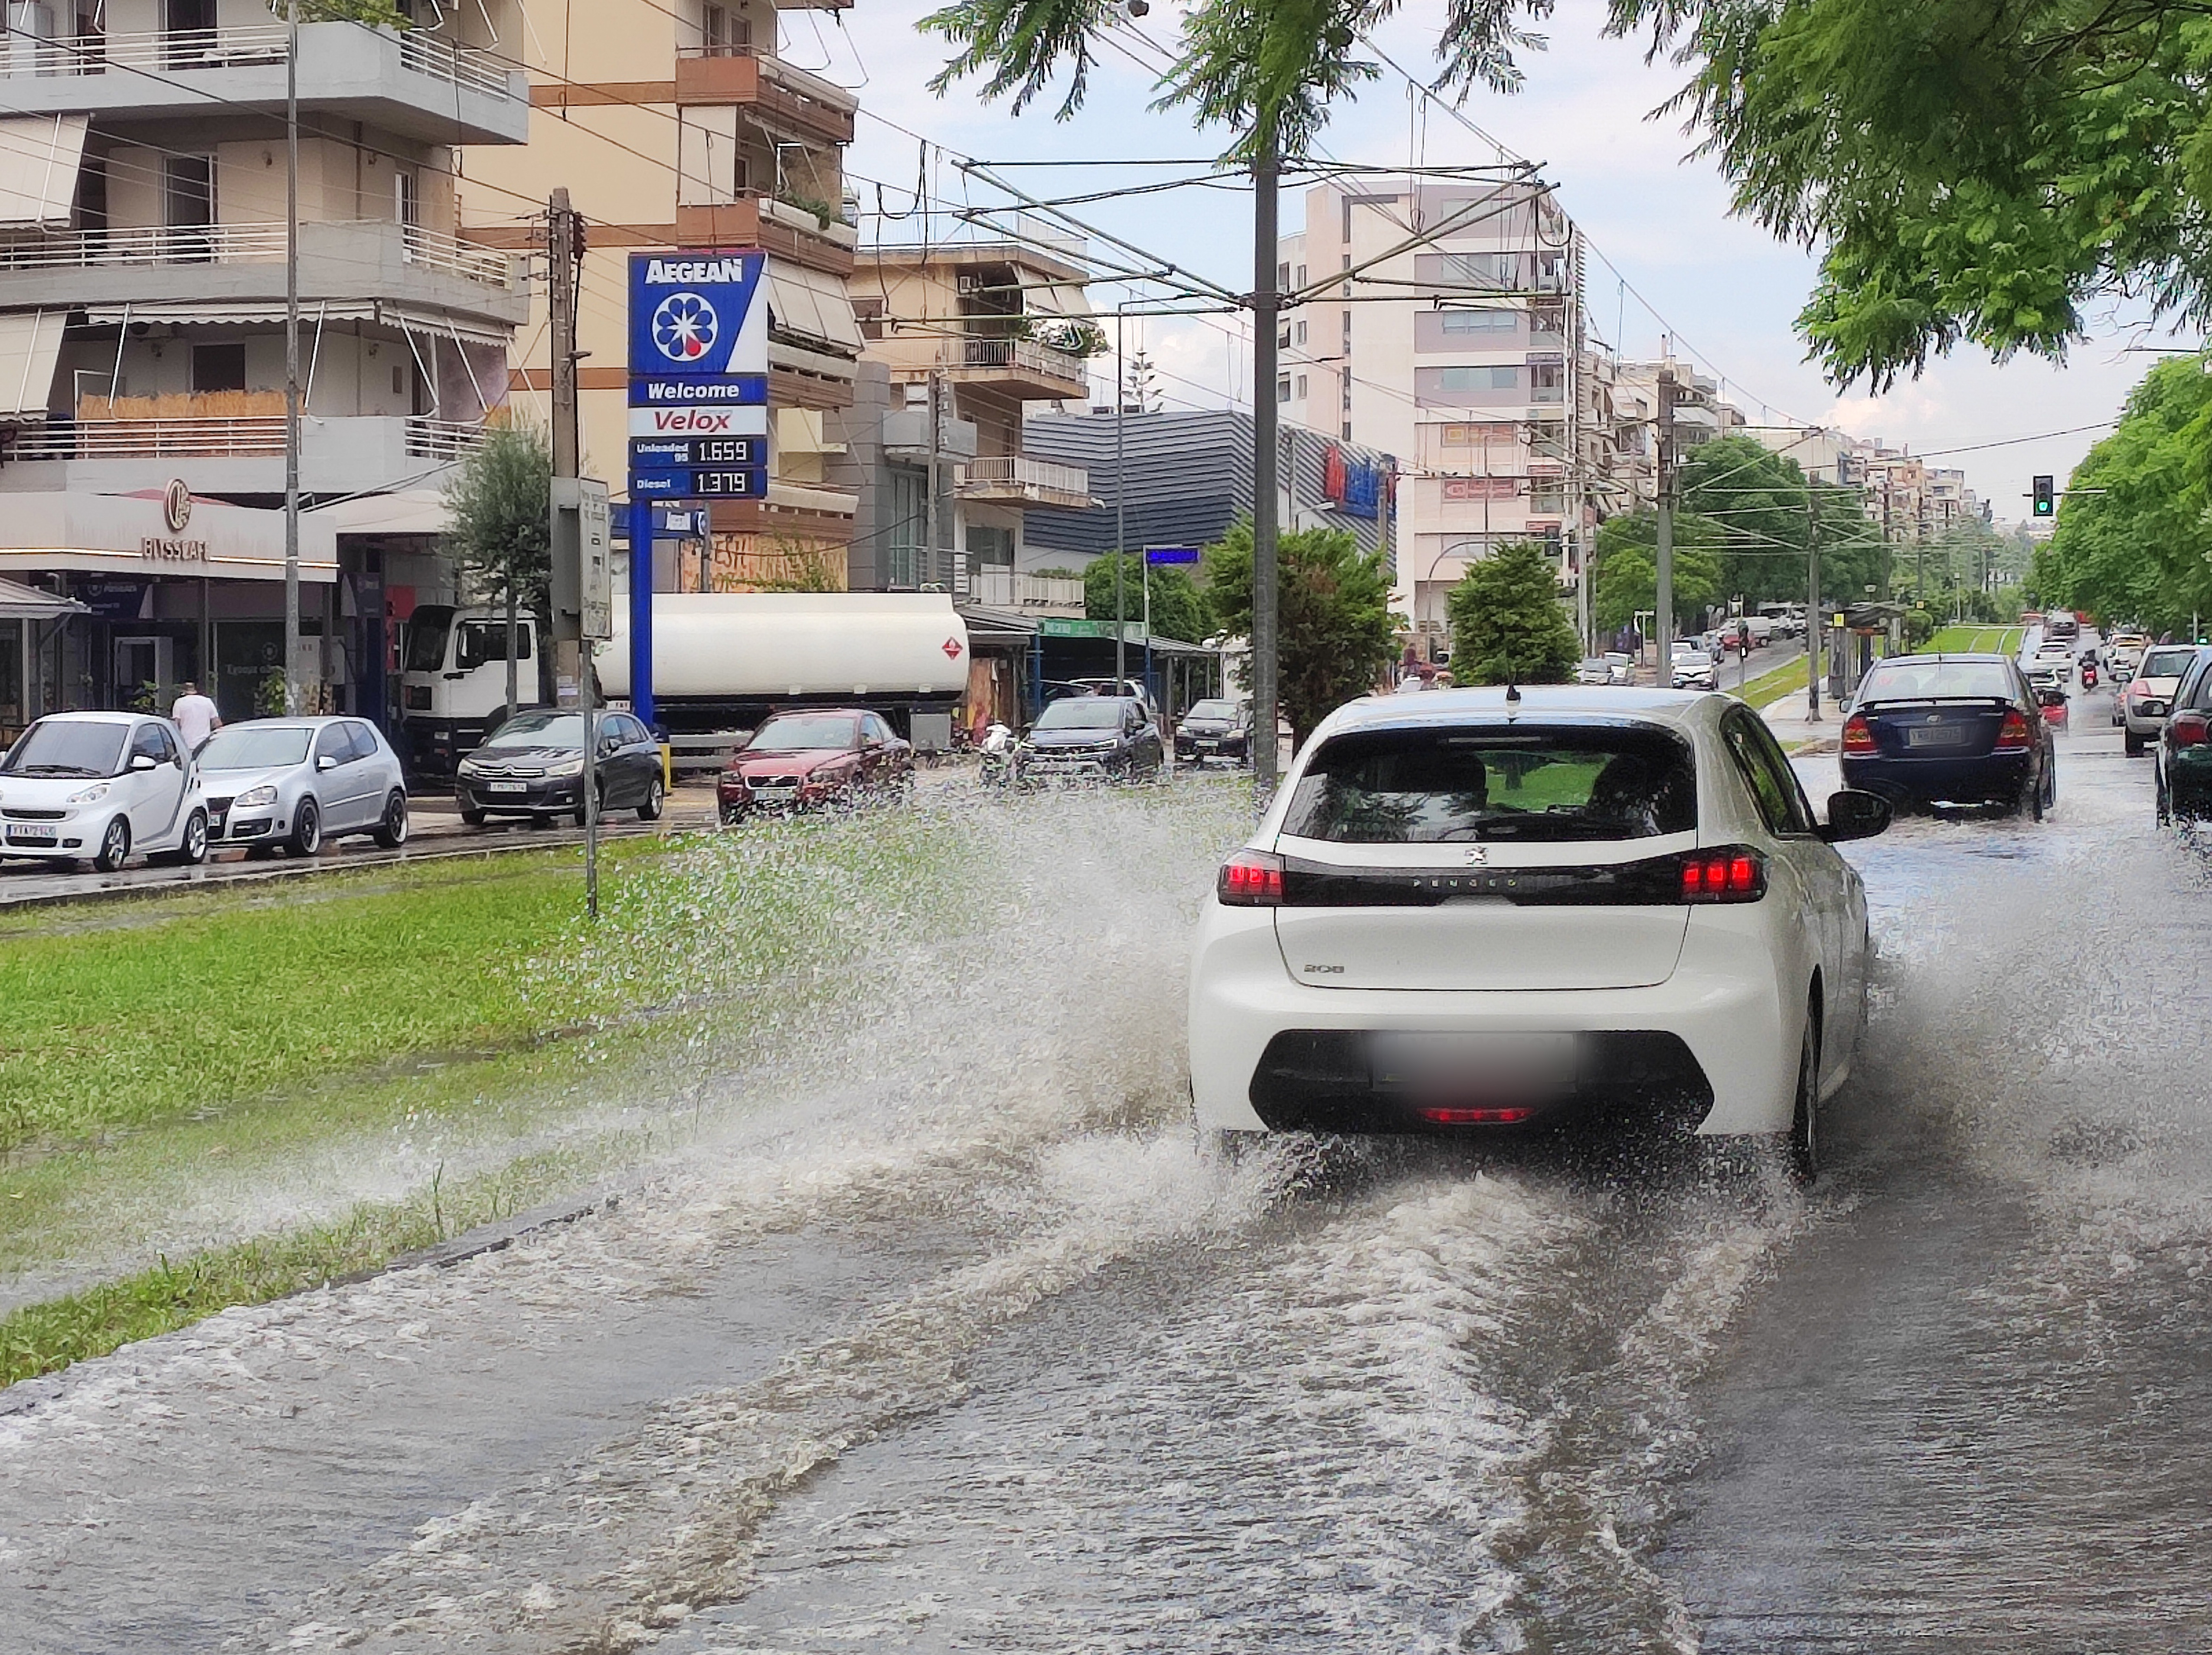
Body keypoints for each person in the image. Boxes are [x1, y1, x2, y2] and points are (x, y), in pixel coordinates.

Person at [171, 681, 220, 751]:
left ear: (183, 692)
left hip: (186, 744)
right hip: (204, 744)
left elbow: (176, 725)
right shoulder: (207, 701)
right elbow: (217, 723)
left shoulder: (179, 702)